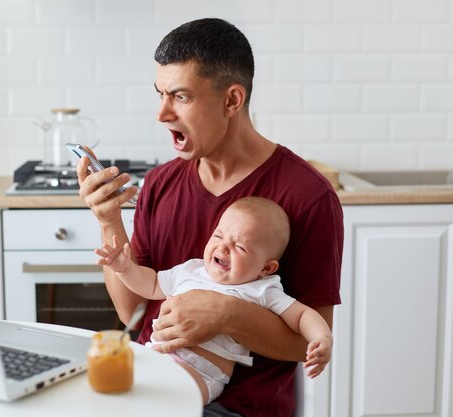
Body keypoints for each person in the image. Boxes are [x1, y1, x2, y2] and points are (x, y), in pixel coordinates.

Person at [75, 17, 343, 417]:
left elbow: (308, 342)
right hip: (152, 382)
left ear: (232, 100)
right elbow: (130, 311)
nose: (162, 113)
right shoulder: (161, 184)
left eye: (180, 97)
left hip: (238, 408)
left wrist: (225, 314)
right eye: (160, 95)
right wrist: (109, 220)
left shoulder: (307, 196)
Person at [95, 197, 333, 405]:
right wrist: (124, 269)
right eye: (218, 235)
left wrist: (322, 337)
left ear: (266, 267)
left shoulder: (261, 289)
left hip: (200, 373)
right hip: (155, 354)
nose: (223, 247)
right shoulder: (192, 270)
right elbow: (152, 285)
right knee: (109, 386)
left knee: (156, 400)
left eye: (240, 247)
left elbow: (303, 315)